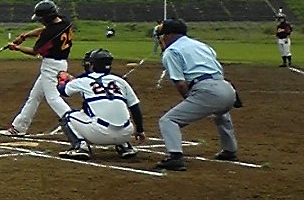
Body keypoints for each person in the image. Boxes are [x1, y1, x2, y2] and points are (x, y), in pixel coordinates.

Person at [155, 18, 239, 171]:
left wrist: (190, 99)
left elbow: (180, 83)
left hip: (207, 90)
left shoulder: (172, 51)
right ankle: (230, 150)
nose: (162, 38)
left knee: (168, 120)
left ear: (170, 35)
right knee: (221, 114)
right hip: (227, 88)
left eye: (163, 34)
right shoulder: (202, 45)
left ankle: (175, 157)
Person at [0, 0, 74, 137]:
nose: (40, 21)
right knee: (34, 97)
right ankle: (19, 127)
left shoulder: (49, 34)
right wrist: (24, 36)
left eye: (41, 18)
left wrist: (16, 48)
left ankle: (75, 123)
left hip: (51, 66)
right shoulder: (64, 21)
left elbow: (34, 52)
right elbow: (44, 30)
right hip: (60, 63)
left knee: (53, 98)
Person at [56, 48, 145, 160]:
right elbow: (135, 108)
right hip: (126, 133)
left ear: (92, 65)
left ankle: (80, 147)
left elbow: (63, 91)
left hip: (99, 134)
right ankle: (125, 146)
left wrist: (62, 81)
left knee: (67, 117)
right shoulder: (121, 81)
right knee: (113, 109)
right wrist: (140, 130)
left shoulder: (83, 80)